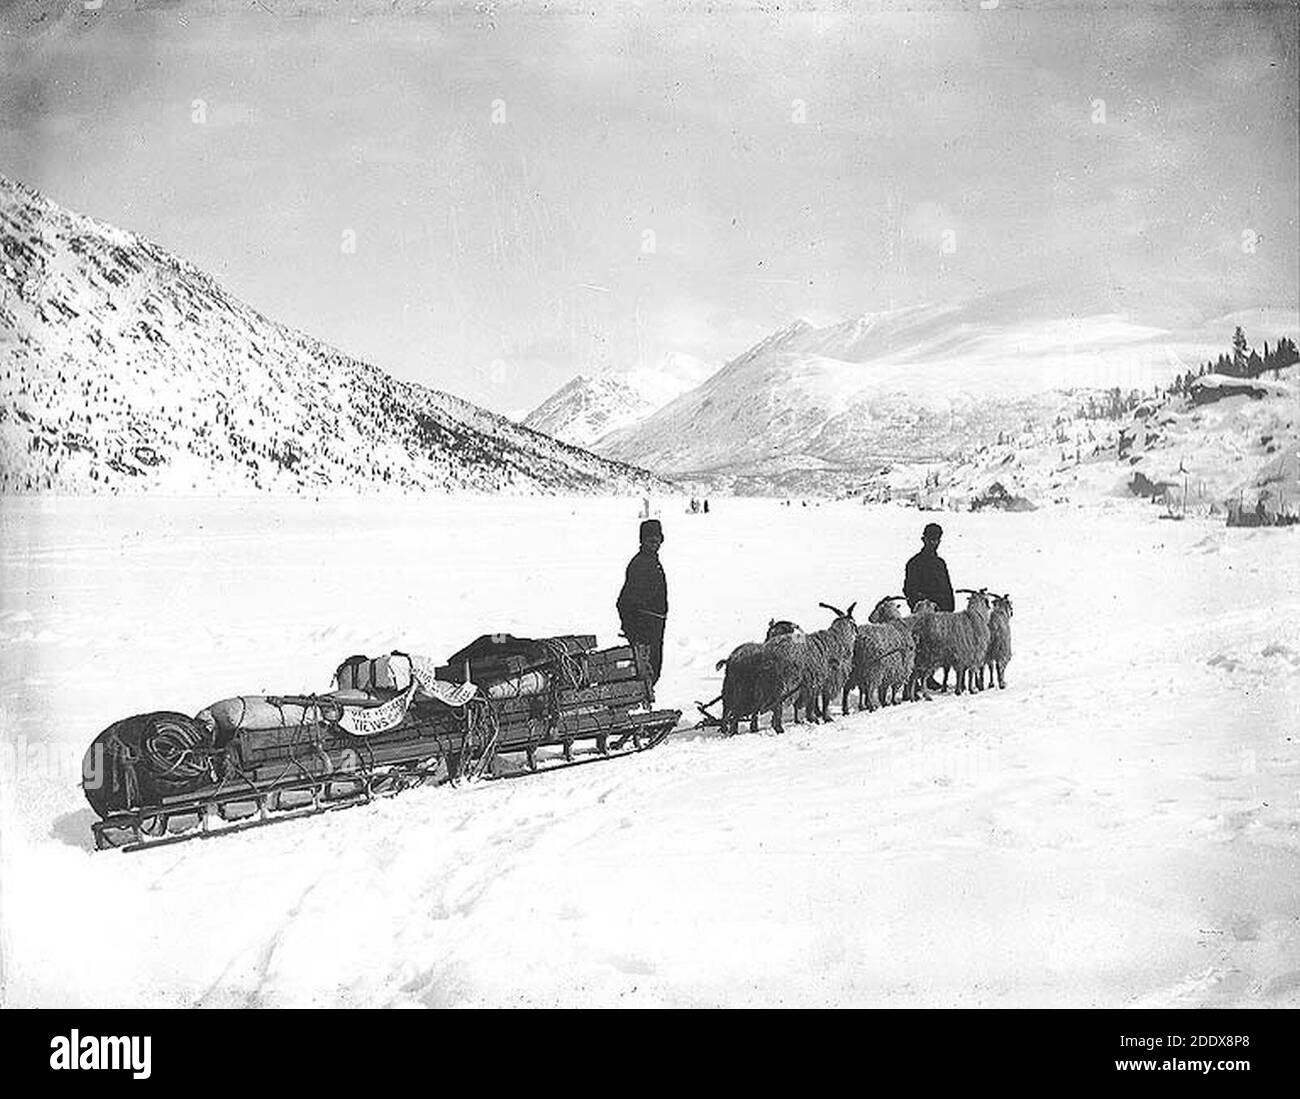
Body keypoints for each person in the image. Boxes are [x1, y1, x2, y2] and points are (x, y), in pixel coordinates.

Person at [904, 522, 955, 691]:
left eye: (936, 540)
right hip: (922, 614)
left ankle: (928, 677)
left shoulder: (940, 563)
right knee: (919, 646)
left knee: (935, 647)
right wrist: (919, 603)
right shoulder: (914, 563)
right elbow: (909, 588)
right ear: (923, 539)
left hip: (940, 614)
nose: (933, 543)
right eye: (930, 539)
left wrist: (949, 608)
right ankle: (913, 680)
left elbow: (947, 587)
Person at [617, 518, 667, 684]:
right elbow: (625, 602)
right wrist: (634, 630)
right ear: (642, 540)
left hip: (654, 625)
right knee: (647, 669)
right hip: (645, 627)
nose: (655, 542)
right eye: (650, 539)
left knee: (653, 667)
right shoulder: (640, 564)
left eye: (657, 538)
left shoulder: (652, 561)